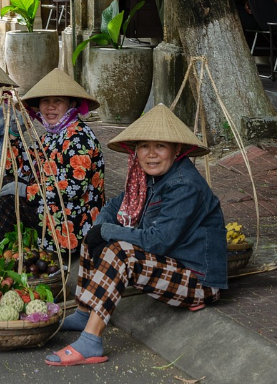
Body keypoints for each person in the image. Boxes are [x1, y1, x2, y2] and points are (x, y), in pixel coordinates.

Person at [46, 104, 227, 366]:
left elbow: (158, 241)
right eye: (144, 146)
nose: (151, 154)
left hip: (197, 281)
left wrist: (106, 232)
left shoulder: (184, 185)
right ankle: (85, 311)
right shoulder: (144, 180)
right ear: (136, 151)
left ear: (176, 150)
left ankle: (91, 341)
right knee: (94, 235)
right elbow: (112, 207)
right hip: (169, 265)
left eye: (160, 147)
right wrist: (100, 230)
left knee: (120, 251)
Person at [0, 69, 105, 252]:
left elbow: (74, 187)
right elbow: (22, 167)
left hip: (73, 220)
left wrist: (28, 191)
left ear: (71, 105)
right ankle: (1, 246)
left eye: (58, 101)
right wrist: (15, 135)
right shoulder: (52, 135)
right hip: (52, 205)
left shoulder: (79, 136)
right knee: (6, 182)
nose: (50, 107)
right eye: (45, 102)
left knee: (10, 198)